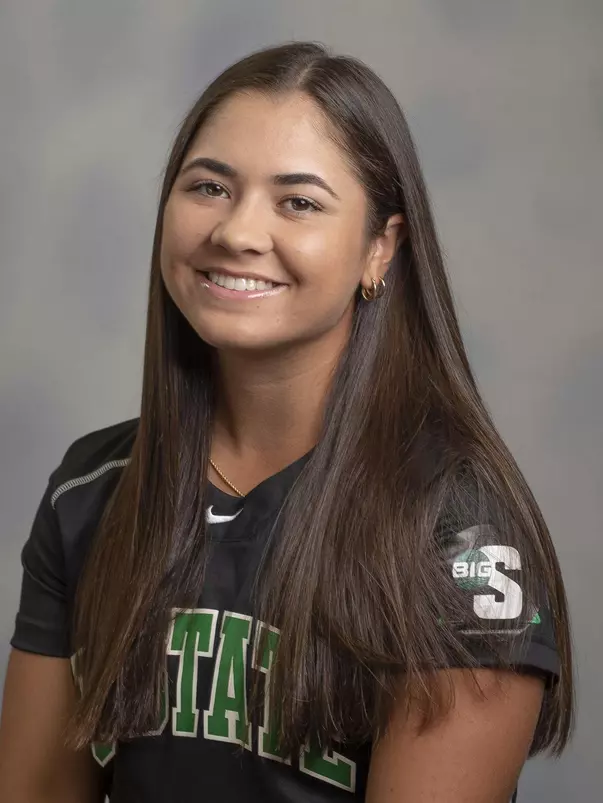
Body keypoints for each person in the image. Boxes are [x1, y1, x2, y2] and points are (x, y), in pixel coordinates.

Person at [0, 42, 573, 803]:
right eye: (209, 186)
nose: (238, 232)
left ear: (380, 247)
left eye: (297, 202)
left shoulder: (460, 536)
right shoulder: (93, 489)